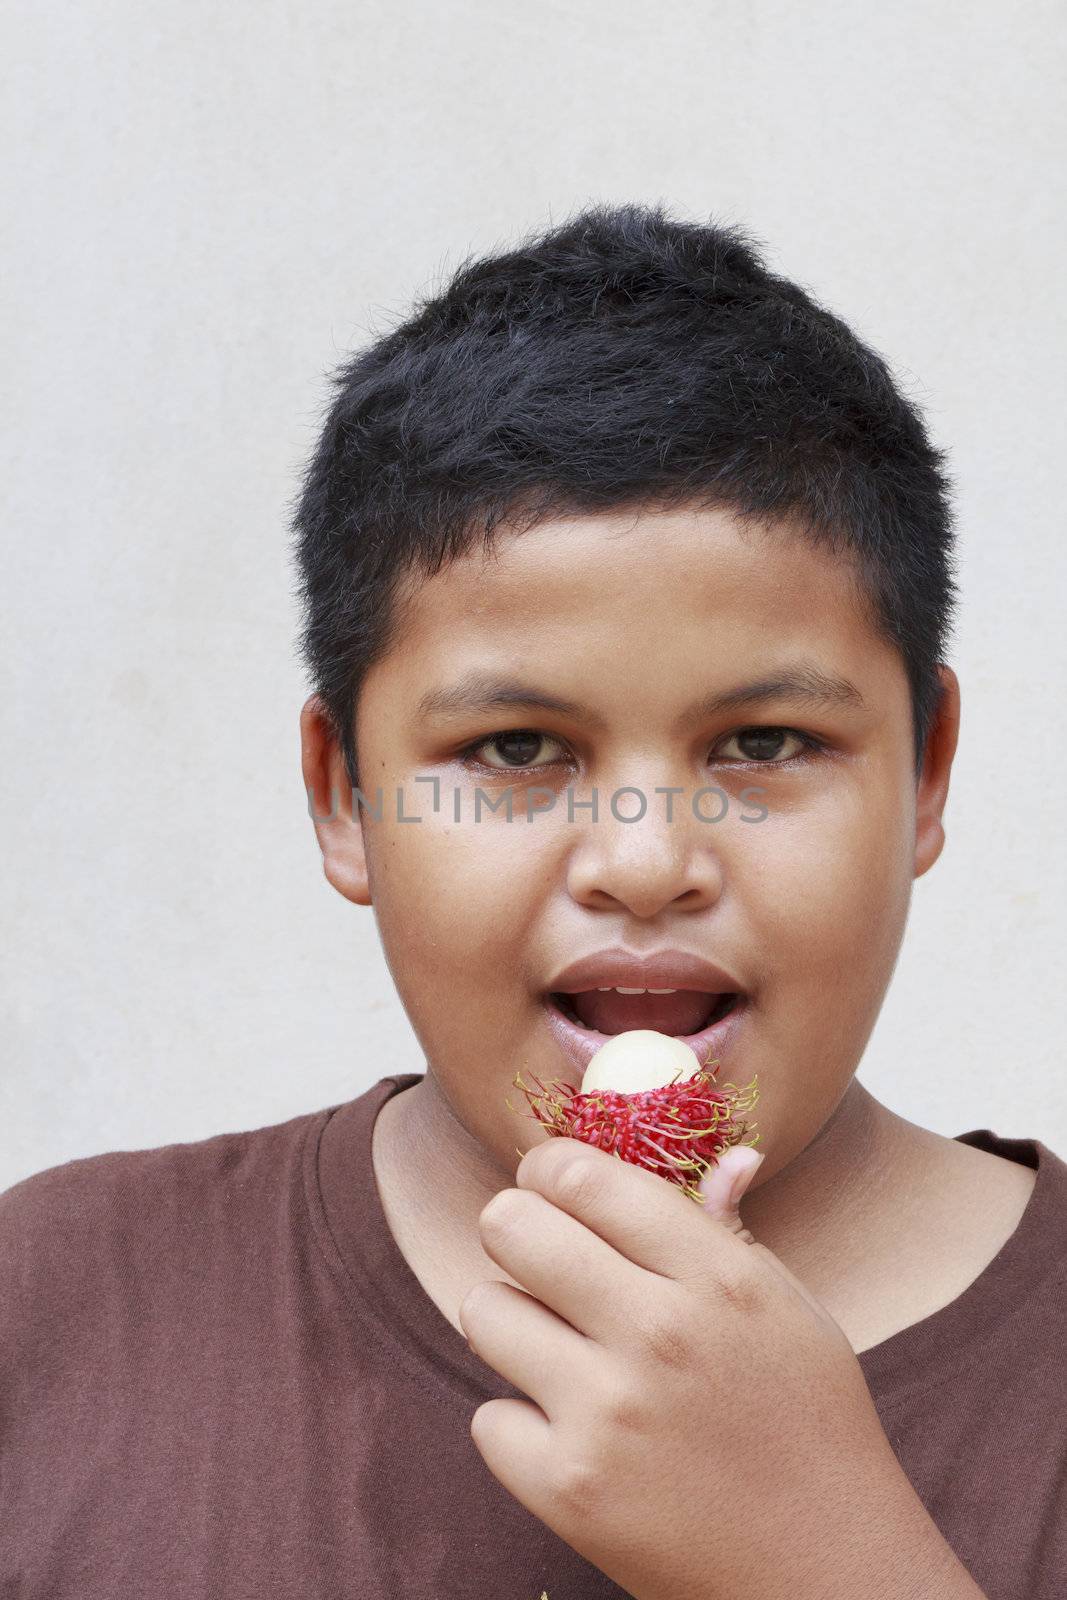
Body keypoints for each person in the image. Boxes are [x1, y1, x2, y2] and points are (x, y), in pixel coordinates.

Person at [2, 202, 1064, 1600]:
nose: (640, 859)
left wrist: (828, 1557)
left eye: (762, 744)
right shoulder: (55, 1313)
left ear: (926, 772)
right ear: (346, 798)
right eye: (515, 751)